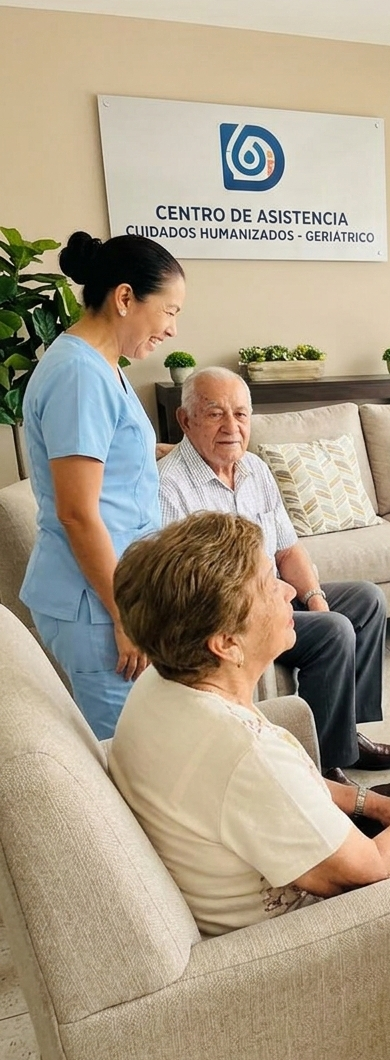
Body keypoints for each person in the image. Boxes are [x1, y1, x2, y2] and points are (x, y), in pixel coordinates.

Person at [108, 512, 390, 1060]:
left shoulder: (169, 685)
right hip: (292, 949)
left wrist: (372, 803)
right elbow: (373, 869)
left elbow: (285, 791)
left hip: (248, 862)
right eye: (268, 585)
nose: (289, 588)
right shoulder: (242, 753)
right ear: (225, 642)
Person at [158, 366, 390, 782]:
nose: (231, 426)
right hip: (231, 618)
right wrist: (289, 608)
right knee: (334, 632)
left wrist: (314, 597)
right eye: (216, 414)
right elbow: (186, 589)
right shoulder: (171, 487)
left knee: (366, 600)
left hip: (272, 593)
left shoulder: (254, 469)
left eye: (240, 414)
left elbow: (287, 548)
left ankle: (346, 733)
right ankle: (324, 766)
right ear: (185, 421)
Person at [20, 231, 185, 740]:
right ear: (125, 297)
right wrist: (124, 614)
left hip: (108, 594)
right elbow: (77, 511)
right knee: (131, 756)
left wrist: (169, 451)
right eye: (170, 311)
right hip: (95, 604)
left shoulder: (100, 366)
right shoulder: (79, 375)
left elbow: (107, 457)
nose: (172, 330)